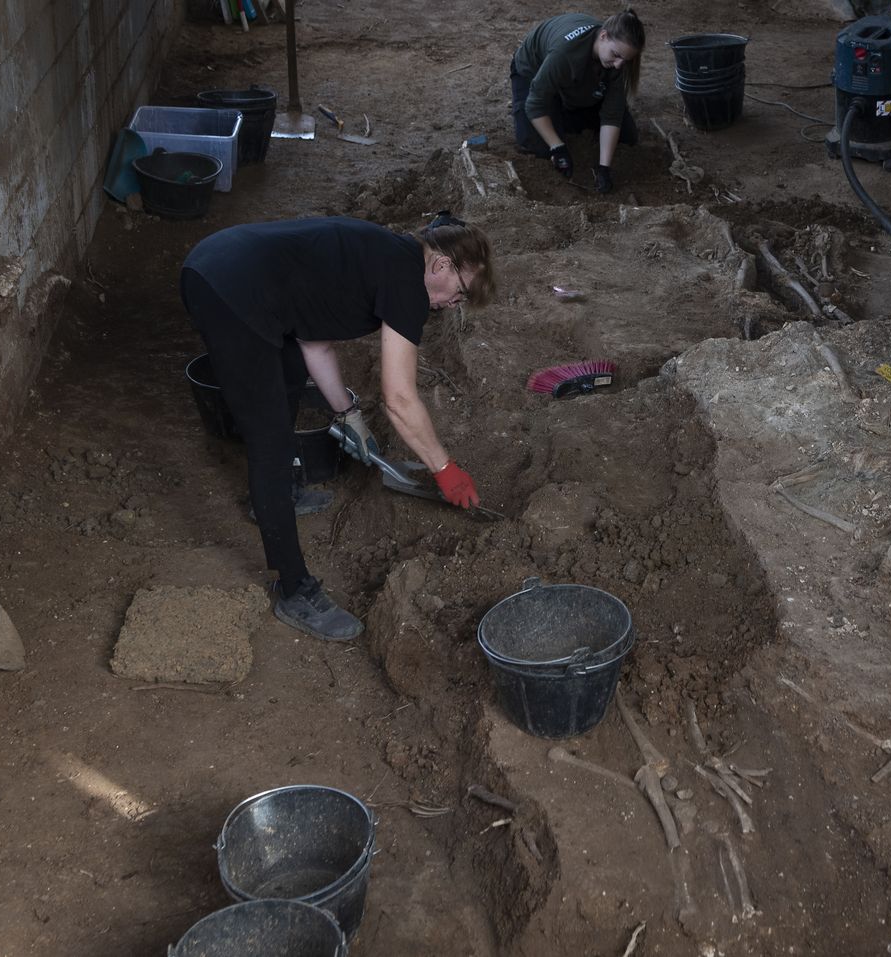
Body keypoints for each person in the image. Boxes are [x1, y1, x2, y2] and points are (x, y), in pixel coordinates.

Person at [180, 213, 496, 641]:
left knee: (291, 372)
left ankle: (280, 494)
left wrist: (347, 414)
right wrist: (444, 468)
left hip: (224, 263)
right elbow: (400, 399)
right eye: (460, 293)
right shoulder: (407, 283)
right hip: (226, 288)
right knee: (269, 442)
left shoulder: (388, 256)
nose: (453, 304)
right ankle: (294, 589)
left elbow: (314, 342)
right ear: (441, 265)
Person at [510, 8, 645, 194]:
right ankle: (561, 110)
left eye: (625, 60)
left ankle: (566, 108)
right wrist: (557, 147)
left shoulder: (616, 60)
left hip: (577, 74)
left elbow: (612, 114)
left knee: (627, 136)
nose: (619, 64)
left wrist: (604, 168)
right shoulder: (565, 53)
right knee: (538, 146)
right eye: (616, 55)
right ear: (603, 36)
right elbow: (535, 104)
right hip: (533, 72)